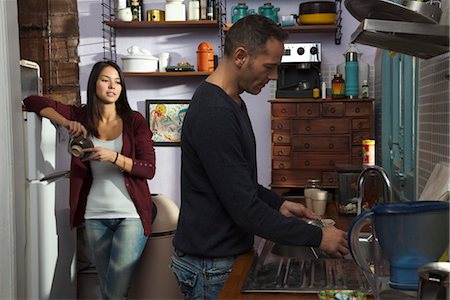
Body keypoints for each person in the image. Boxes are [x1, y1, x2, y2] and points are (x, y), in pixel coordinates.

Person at [170, 15, 349, 299]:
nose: (275, 76)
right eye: (270, 66)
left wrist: (279, 204)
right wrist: (318, 237)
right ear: (241, 56)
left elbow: (239, 184)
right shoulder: (213, 113)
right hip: (209, 267)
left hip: (221, 259)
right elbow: (245, 210)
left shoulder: (233, 101)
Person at [23, 60, 156, 299]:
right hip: (95, 217)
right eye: (105, 80)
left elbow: (148, 169)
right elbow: (32, 102)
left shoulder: (134, 120)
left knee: (114, 292)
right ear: (94, 83)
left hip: (132, 217)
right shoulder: (82, 116)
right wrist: (66, 123)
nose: (112, 86)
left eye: (117, 82)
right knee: (108, 290)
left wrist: (114, 157)